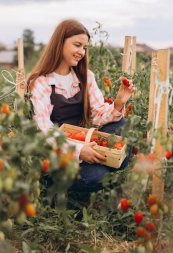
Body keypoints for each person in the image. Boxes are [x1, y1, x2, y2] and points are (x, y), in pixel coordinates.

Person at [27, 19, 134, 195]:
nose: (82, 52)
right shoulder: (41, 82)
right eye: (77, 45)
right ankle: (75, 184)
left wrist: (119, 102)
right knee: (98, 176)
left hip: (83, 142)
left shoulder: (85, 77)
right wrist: (78, 151)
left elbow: (98, 115)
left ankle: (97, 170)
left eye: (84, 47)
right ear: (60, 43)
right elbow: (43, 131)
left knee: (122, 126)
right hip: (58, 156)